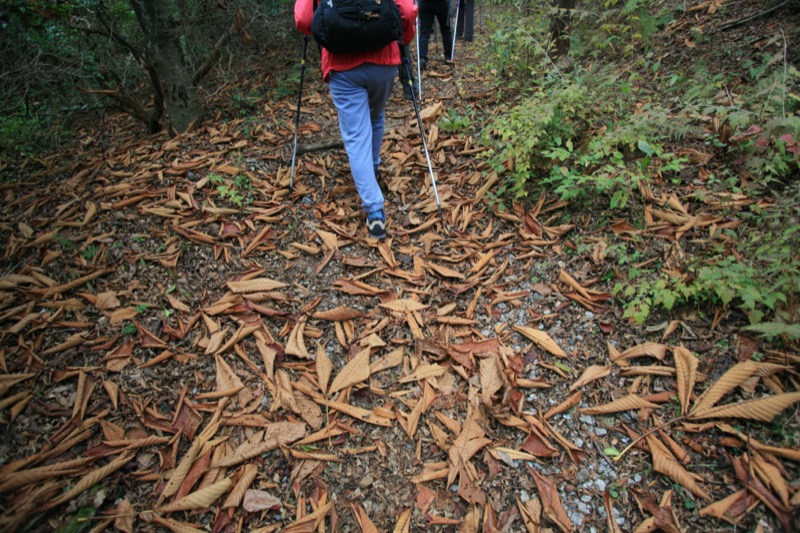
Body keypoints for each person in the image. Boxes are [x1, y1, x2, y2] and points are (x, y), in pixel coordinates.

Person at [294, 0, 418, 240]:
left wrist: (331, 31)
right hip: (384, 60)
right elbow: (409, 10)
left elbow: (303, 19)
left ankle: (374, 211)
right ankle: (371, 168)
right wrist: (404, 37)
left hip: (341, 65)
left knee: (356, 136)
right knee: (376, 116)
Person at [417, 0, 453, 70]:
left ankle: (422, 57)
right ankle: (448, 56)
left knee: (424, 32)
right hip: (441, 3)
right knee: (446, 31)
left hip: (424, 4)